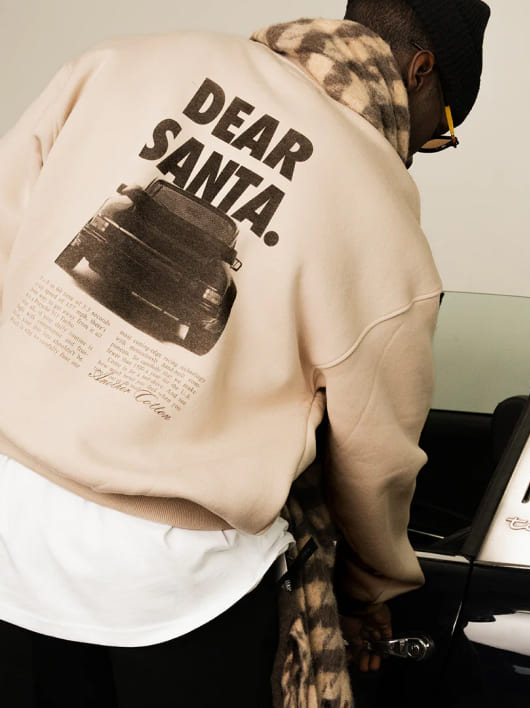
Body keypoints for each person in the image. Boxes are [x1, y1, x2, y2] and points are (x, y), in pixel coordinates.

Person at [0, 0, 490, 705]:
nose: (418, 151)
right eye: (439, 131)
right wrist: (370, 589)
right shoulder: (384, 211)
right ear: (419, 72)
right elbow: (376, 454)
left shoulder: (124, 62)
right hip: (181, 583)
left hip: (12, 521)